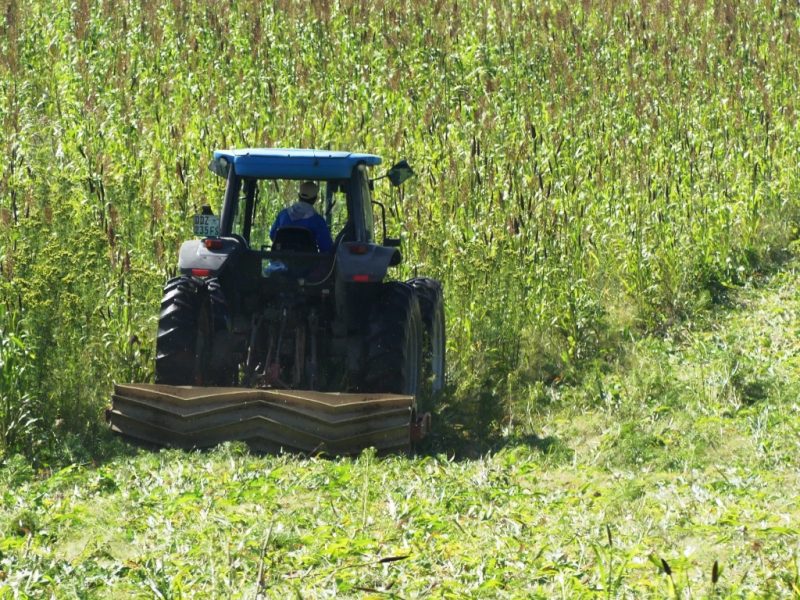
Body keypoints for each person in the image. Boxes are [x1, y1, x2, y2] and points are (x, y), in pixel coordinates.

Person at [269, 181, 333, 253]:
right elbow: (326, 247)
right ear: (315, 199)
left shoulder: (283, 215)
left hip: (282, 258)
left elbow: (273, 235)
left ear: (299, 196)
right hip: (308, 260)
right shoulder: (318, 221)